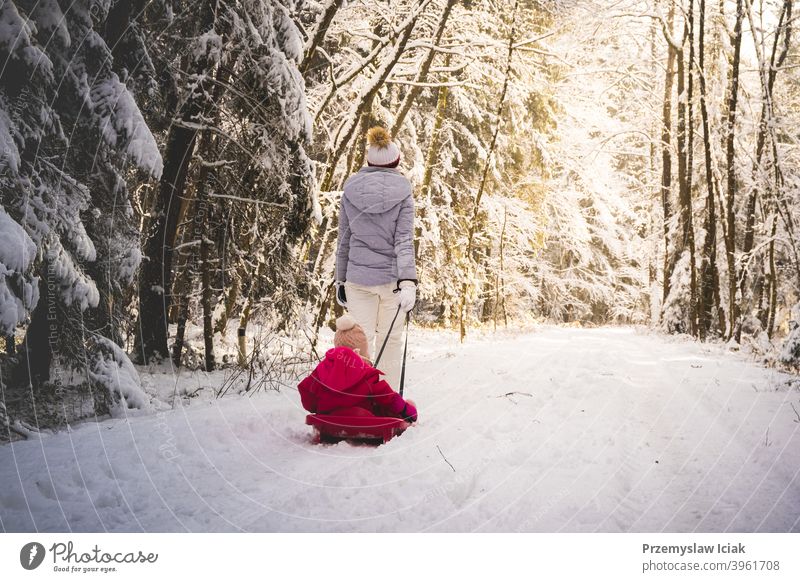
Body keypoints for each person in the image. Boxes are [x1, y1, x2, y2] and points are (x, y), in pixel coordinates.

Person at [334, 126, 417, 390]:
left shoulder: (350, 191)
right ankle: (386, 400)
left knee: (358, 341)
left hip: (357, 279)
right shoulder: (403, 193)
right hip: (391, 282)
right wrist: (408, 282)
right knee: (390, 340)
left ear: (369, 162)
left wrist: (340, 280)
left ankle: (352, 399)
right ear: (396, 162)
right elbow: (403, 241)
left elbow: (344, 240)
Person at [298, 315, 417, 421]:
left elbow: (306, 393)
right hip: (361, 418)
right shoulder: (366, 375)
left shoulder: (321, 370)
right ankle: (402, 417)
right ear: (360, 353)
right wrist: (406, 410)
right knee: (381, 406)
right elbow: (388, 397)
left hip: (329, 417)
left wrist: (317, 407)